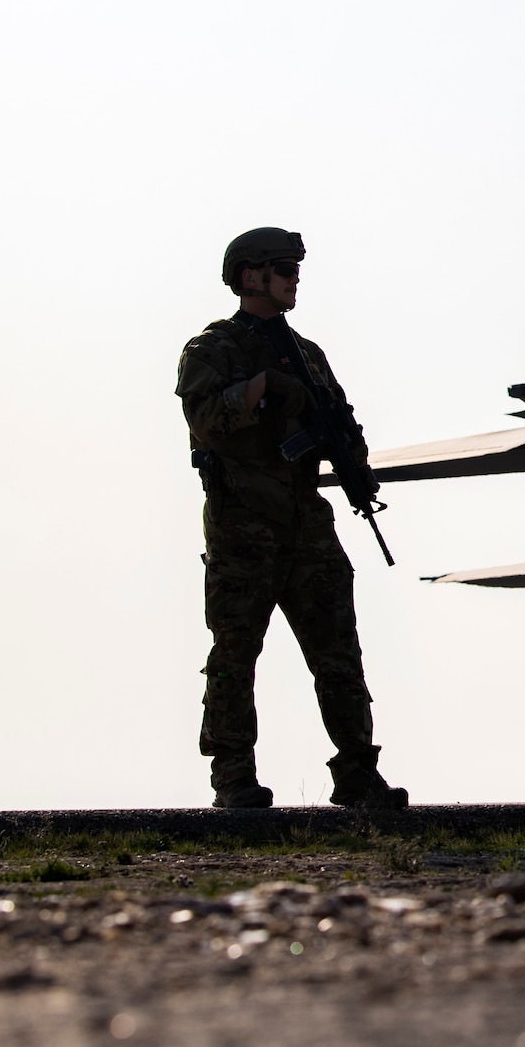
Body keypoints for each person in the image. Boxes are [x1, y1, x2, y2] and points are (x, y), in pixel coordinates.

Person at [174, 228, 407, 811]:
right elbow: (205, 422)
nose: (294, 279)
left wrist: (355, 464)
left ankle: (358, 772)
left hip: (307, 525)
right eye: (284, 269)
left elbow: (340, 420)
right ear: (251, 276)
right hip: (243, 527)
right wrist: (259, 390)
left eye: (295, 269)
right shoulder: (212, 350)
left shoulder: (306, 354)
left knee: (339, 655)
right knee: (234, 653)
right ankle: (233, 778)